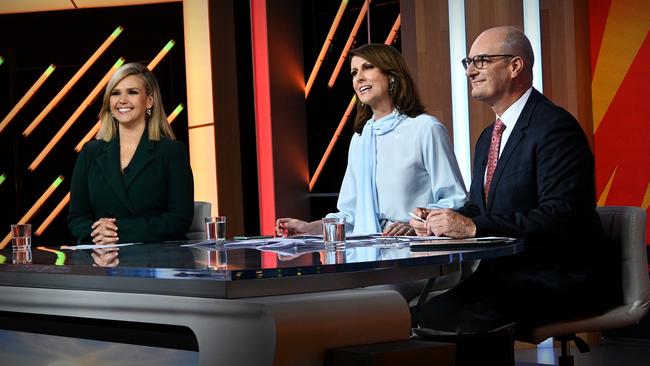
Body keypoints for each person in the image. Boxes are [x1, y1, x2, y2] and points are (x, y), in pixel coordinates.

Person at [409, 26, 620, 365]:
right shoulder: (487, 137)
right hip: (508, 274)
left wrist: (472, 228)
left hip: (559, 275)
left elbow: (560, 215)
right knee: (425, 312)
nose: (469, 70)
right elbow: (479, 207)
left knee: (454, 318)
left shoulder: (554, 128)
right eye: (468, 61)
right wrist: (439, 222)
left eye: (481, 60)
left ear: (515, 66)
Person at [276, 44, 467, 237]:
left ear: (392, 75)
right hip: (368, 255)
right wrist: (308, 229)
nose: (359, 78)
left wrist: (416, 225)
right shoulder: (360, 139)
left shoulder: (426, 129)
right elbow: (350, 217)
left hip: (415, 253)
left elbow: (454, 200)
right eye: (354, 72)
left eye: (367, 68)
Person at [68, 63, 194, 244]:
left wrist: (117, 231)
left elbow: (179, 220)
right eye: (115, 93)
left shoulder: (172, 152)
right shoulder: (90, 152)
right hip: (102, 260)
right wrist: (97, 232)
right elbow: (77, 217)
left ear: (149, 100)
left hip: (156, 260)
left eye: (132, 92)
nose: (122, 100)